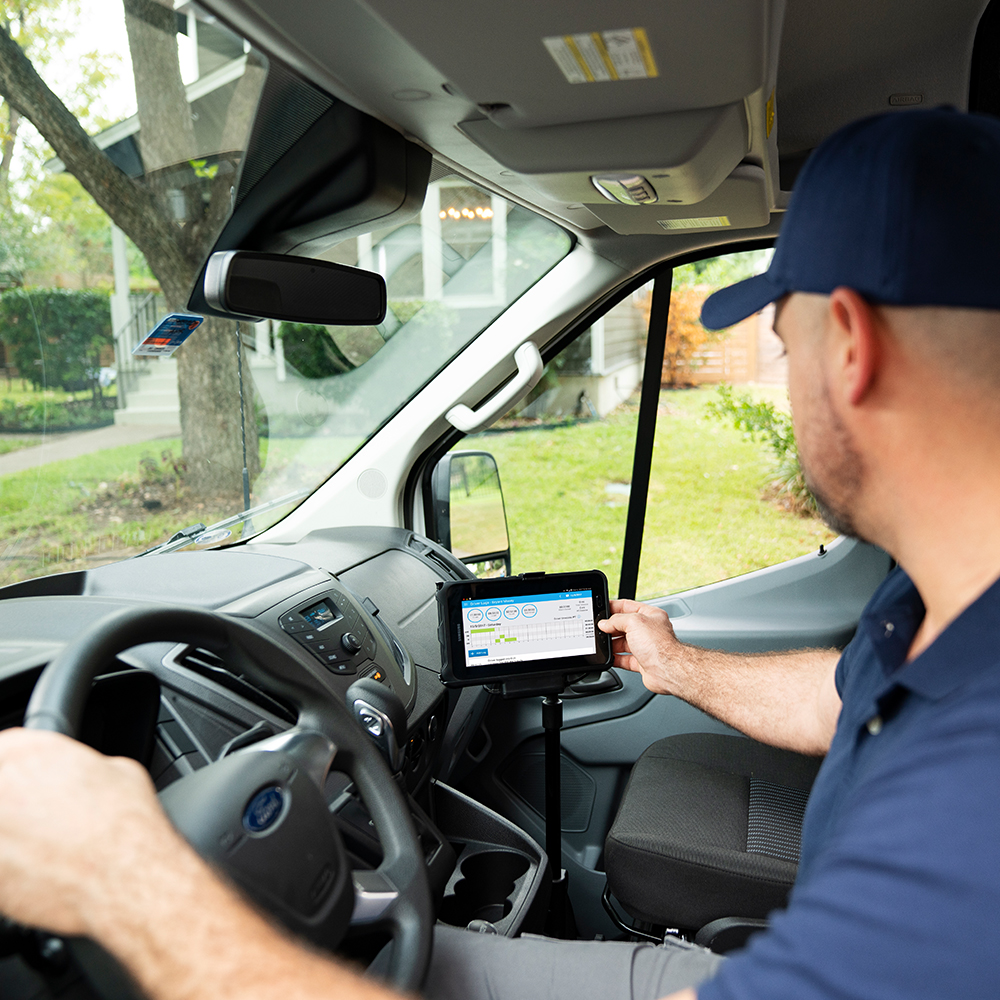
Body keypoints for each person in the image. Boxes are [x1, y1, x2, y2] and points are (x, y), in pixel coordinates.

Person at [3, 104, 1000, 1000]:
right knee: (427, 954)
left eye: (785, 341)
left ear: (855, 348)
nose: (785, 378)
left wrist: (124, 885)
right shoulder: (943, 608)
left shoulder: (970, 810)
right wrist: (675, 662)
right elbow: (851, 696)